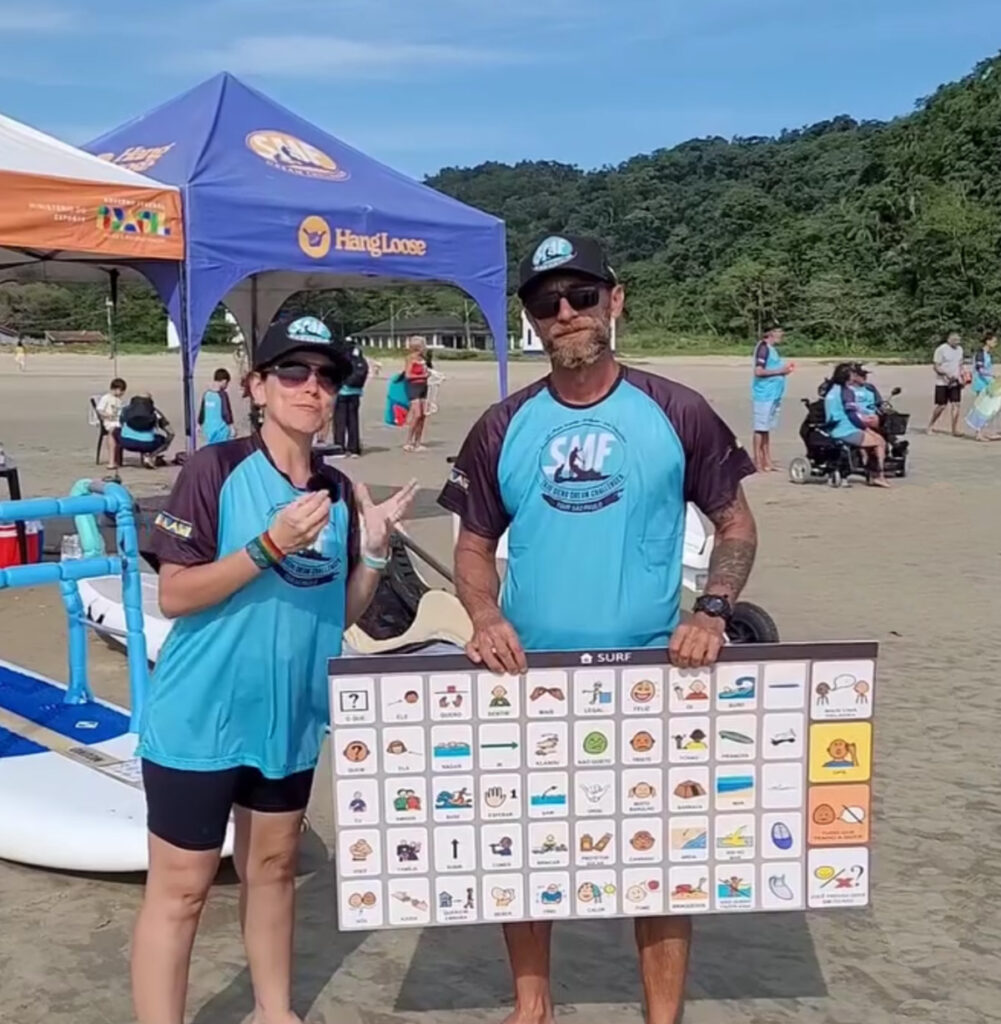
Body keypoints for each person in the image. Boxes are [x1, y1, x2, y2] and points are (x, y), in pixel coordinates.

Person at [438, 234, 759, 1024]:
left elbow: (734, 523)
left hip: (653, 672)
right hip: (526, 676)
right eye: (545, 302)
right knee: (524, 847)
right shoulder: (502, 424)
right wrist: (483, 613)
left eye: (581, 295)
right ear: (530, 319)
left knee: (660, 857)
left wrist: (712, 609)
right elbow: (473, 545)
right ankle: (532, 1005)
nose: (565, 313)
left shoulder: (676, 409)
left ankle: (661, 1016)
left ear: (614, 301)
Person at [131, 314, 418, 1024]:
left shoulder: (338, 489)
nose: (311, 386)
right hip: (201, 716)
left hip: (288, 719)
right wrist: (268, 545)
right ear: (257, 387)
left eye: (326, 376)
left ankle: (274, 1010)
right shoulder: (215, 469)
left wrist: (373, 552)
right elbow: (175, 594)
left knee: (273, 868)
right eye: (292, 371)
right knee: (184, 888)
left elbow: (336, 611)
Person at [823, 363, 889, 487]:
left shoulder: (832, 389)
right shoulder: (846, 392)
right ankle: (878, 475)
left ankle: (871, 472)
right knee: (879, 441)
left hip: (833, 427)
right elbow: (852, 415)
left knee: (871, 440)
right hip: (845, 429)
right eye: (852, 374)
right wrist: (865, 428)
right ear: (848, 376)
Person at [751, 326, 795, 472]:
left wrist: (784, 371)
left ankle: (767, 460)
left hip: (774, 394)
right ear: (770, 333)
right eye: (779, 332)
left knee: (766, 428)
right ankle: (758, 461)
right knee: (760, 427)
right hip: (764, 395)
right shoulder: (763, 348)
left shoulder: (772, 349)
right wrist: (780, 371)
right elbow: (758, 371)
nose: (782, 334)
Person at [116, 392, 174, 468]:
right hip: (148, 444)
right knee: (160, 439)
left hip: (126, 442)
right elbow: (171, 432)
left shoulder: (125, 410)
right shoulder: (155, 412)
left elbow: (121, 424)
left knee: (115, 431)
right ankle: (150, 456)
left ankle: (117, 461)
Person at [332, 342, 369, 457]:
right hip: (356, 393)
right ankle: (354, 449)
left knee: (340, 421)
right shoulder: (360, 359)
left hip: (342, 392)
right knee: (353, 421)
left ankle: (339, 447)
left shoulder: (342, 358)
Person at [928, 331, 965, 436]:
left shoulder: (960, 349)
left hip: (955, 381)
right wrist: (945, 374)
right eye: (955, 340)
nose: (957, 342)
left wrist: (962, 377)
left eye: (958, 340)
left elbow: (960, 364)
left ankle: (954, 429)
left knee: (956, 404)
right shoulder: (941, 349)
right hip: (942, 382)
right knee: (941, 405)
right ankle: (931, 425)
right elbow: (936, 366)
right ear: (949, 340)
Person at [403, 336, 430, 452]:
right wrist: (423, 376)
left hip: (423, 387)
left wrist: (429, 374)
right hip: (413, 387)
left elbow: (426, 372)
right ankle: (408, 442)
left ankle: (418, 442)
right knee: (417, 415)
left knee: (423, 415)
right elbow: (408, 375)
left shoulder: (423, 359)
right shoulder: (410, 358)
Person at [198, 368, 235, 446]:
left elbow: (202, 411)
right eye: (227, 384)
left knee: (211, 447)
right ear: (224, 381)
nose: (227, 386)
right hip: (220, 430)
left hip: (208, 429)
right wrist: (231, 426)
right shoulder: (222, 395)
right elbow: (226, 412)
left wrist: (199, 424)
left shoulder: (207, 394)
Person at [96, 377, 127, 471]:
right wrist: (107, 415)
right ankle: (111, 461)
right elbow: (100, 410)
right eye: (121, 391)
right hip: (109, 422)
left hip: (119, 421)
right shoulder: (106, 398)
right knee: (113, 431)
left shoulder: (119, 400)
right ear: (116, 389)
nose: (122, 393)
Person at [972, 332, 996, 398]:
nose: (995, 343)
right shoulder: (980, 354)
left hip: (988, 384)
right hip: (981, 385)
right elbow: (980, 370)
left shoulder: (988, 354)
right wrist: (993, 374)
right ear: (988, 341)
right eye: (994, 341)